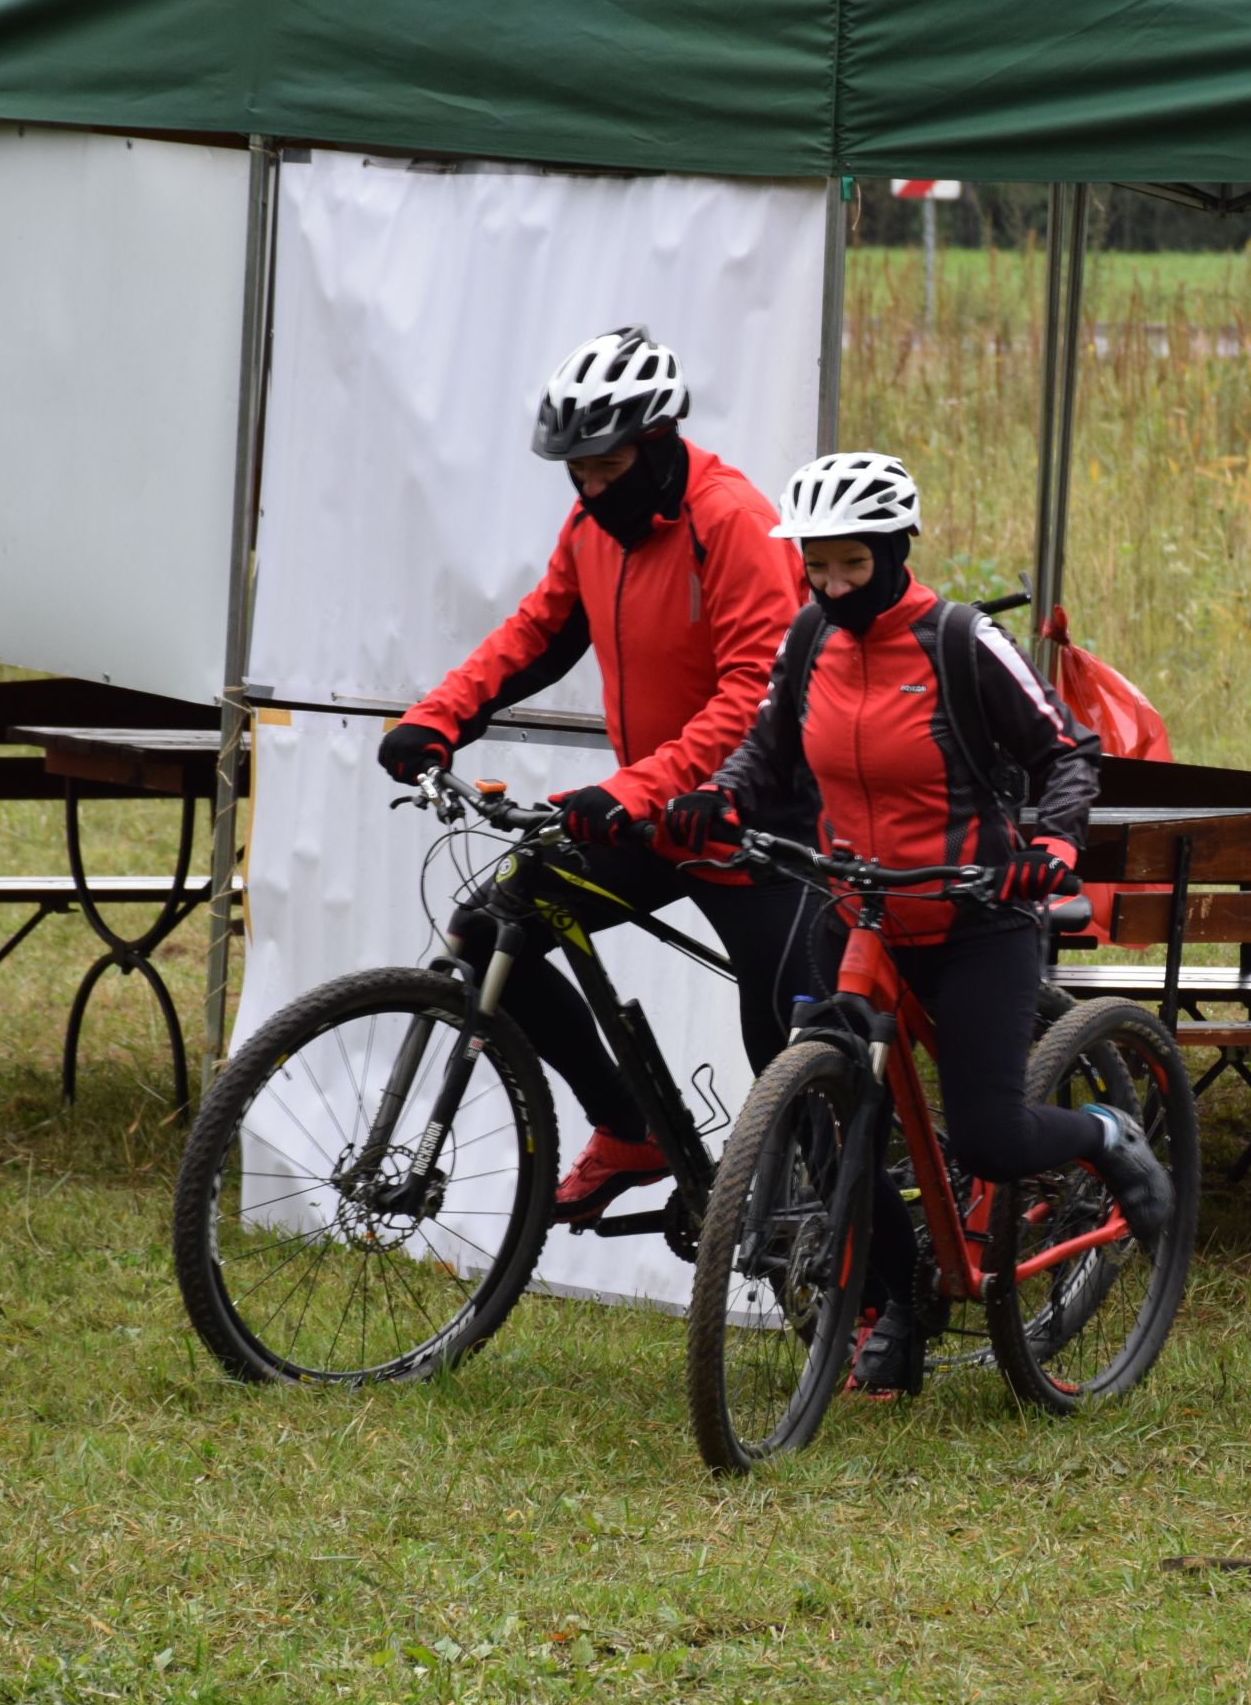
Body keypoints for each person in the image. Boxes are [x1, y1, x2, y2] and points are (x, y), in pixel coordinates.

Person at [665, 451, 1173, 1396]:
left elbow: (1067, 751)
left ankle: (1104, 1133)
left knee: (988, 1138)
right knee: (824, 1113)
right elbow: (765, 754)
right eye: (817, 565)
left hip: (977, 918)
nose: (832, 584)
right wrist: (719, 798)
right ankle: (900, 1300)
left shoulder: (960, 640)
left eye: (853, 564)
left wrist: (1050, 849)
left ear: (898, 550)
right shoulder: (810, 636)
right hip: (852, 912)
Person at [376, 326, 817, 1223]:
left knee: (788, 1050)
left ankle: (858, 1281)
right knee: (490, 929)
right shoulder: (592, 525)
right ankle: (628, 1128)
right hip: (657, 817)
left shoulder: (731, 520)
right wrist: (439, 714)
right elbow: (538, 634)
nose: (590, 488)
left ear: (659, 444)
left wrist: (632, 787)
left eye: (607, 467)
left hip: (762, 824)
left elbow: (756, 694)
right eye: (576, 472)